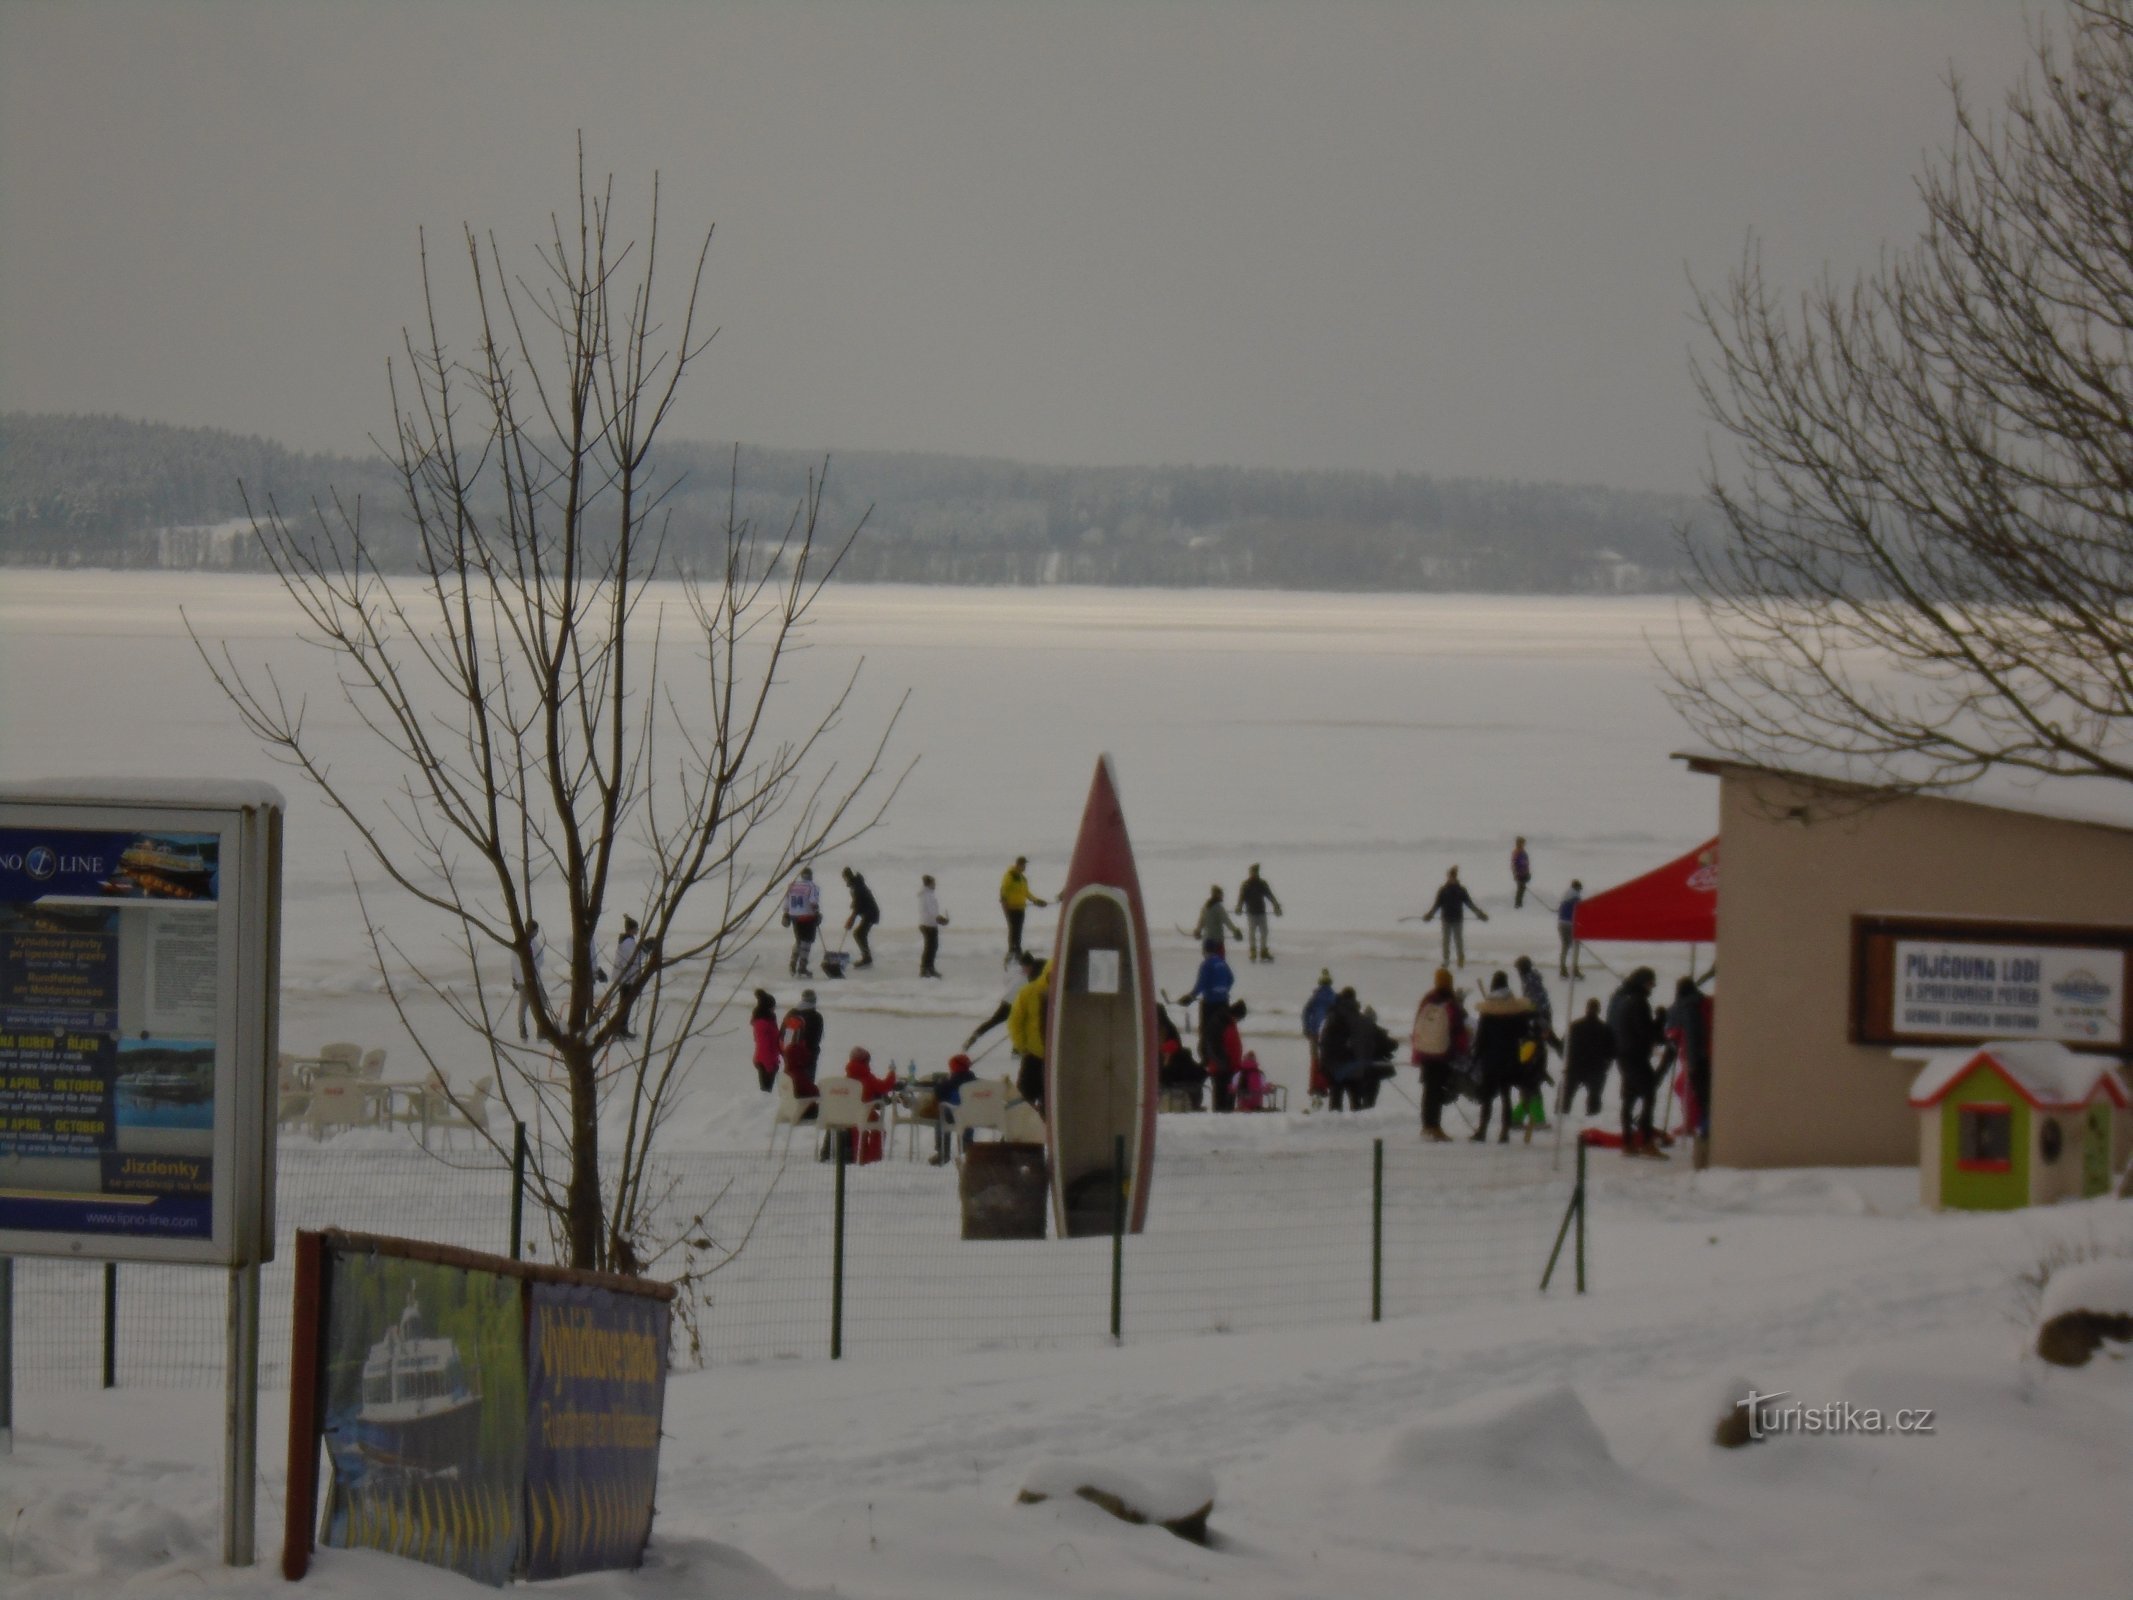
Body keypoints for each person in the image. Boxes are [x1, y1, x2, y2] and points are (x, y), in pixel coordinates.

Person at [1469, 971, 1534, 1143]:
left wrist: (1475, 1056)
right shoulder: (1515, 1008)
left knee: (1487, 1097)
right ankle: (1504, 1132)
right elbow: (1524, 1032)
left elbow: (1481, 1036)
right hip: (1510, 1058)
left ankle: (1482, 1130)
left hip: (1491, 1059)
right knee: (1506, 1095)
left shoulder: (1488, 1009)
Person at [1608, 966, 1665, 1157]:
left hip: (1621, 1053)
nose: (1652, 988)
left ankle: (1628, 1143)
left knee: (1629, 1097)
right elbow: (1645, 1031)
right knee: (1648, 1095)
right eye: (1651, 983)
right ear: (1643, 983)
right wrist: (1660, 1023)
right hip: (1636, 1055)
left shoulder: (1619, 998)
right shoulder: (1639, 1002)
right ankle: (1646, 1141)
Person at [1409, 966, 1466, 1142]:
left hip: (1425, 1052)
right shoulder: (1451, 1003)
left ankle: (1427, 1126)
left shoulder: (1427, 1000)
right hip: (1442, 1054)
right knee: (1437, 1089)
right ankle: (1435, 1127)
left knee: (1428, 1089)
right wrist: (1461, 1050)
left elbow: (1418, 1024)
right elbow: (1458, 1030)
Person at [1178, 938, 1236, 1095]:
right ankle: (1220, 1059)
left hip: (1210, 1004)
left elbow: (1201, 984)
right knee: (1221, 1034)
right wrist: (1223, 990)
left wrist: (1190, 997)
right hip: (1223, 1003)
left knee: (1207, 1033)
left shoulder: (1207, 964)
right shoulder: (1223, 963)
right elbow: (1231, 979)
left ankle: (1208, 1060)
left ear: (1205, 950)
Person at [1668, 975, 1713, 1141]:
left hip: (1695, 1056)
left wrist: (1692, 1060)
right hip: (1707, 1053)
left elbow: (1691, 1035)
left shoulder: (1687, 1007)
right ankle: (1698, 1123)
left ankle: (1700, 1125)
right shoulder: (1704, 1003)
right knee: (1698, 1091)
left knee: (1695, 1091)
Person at [1007, 952, 1051, 1113]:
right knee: (1023, 1104)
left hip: (1055, 1060)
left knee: (1051, 1105)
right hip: (1034, 1056)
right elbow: (1015, 1022)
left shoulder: (1064, 997)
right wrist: (1022, 1045)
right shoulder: (1028, 992)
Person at [1421, 866, 1488, 969]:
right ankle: (1446, 960)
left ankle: (1460, 960)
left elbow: (1469, 904)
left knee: (1458, 941)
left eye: (1453, 877)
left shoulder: (1461, 890)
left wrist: (1479, 914)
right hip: (1446, 920)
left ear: (1455, 877)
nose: (1451, 879)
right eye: (1450, 877)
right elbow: (1437, 905)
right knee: (1446, 941)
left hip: (1457, 920)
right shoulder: (1443, 890)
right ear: (1448, 877)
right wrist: (1429, 915)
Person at [1559, 996, 1614, 1117]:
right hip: (1596, 1068)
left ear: (1586, 1009)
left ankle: (1562, 1116)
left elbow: (1564, 1047)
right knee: (1594, 1098)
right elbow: (1611, 1052)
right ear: (1599, 1010)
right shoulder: (1605, 1029)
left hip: (1575, 1067)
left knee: (1566, 1096)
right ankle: (1592, 1117)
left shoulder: (1575, 1026)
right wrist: (1606, 1064)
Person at [1317, 987, 1363, 1112]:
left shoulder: (1332, 1012)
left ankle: (1335, 1121)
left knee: (1336, 1094)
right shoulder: (1351, 1013)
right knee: (1355, 1094)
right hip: (1344, 1060)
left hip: (1328, 1059)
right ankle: (1357, 1121)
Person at [929, 1052, 980, 1164]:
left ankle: (943, 1152)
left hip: (955, 1114)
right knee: (968, 1117)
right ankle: (967, 1149)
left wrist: (941, 1082)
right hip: (972, 1116)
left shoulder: (951, 1082)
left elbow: (939, 1093)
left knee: (941, 1117)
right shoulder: (975, 1081)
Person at [779, 988, 824, 1105]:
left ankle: (790, 1104)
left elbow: (782, 1034)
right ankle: (806, 1107)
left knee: (791, 1081)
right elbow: (816, 1040)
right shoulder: (816, 1016)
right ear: (814, 1001)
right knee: (807, 1083)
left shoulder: (791, 1013)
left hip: (789, 1055)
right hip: (808, 1056)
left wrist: (785, 1053)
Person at [1000, 856, 1048, 963]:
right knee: (1013, 929)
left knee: (1019, 930)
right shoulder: (1010, 875)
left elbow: (1026, 893)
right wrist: (1004, 902)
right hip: (1011, 908)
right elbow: (1004, 890)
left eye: (1025, 864)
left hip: (1021, 908)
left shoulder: (1023, 878)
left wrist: (1037, 901)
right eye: (1023, 864)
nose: (1024, 867)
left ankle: (1017, 950)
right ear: (1018, 864)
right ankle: (1012, 951)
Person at [1157, 1008, 1208, 1109]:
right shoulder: (1183, 1058)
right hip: (1190, 1092)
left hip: (1182, 1095)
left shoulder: (1173, 1064)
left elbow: (1165, 1080)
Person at [965, 965, 1024, 1051]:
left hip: (1008, 1000)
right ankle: (1017, 1049)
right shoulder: (1028, 975)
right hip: (1013, 1002)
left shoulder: (1015, 971)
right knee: (1019, 1024)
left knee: (995, 1021)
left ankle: (974, 1036)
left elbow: (1006, 980)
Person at [1301, 968, 1338, 1105]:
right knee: (1325, 1060)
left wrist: (1306, 1027)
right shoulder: (1334, 997)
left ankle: (1314, 1085)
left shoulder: (1315, 997)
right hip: (1329, 1033)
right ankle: (1323, 1086)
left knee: (1314, 1060)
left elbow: (1305, 1013)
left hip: (1314, 1032)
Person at [607, 915, 645, 1039]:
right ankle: (621, 1029)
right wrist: (645, 950)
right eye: (636, 928)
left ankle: (621, 1028)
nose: (637, 930)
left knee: (625, 1003)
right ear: (631, 929)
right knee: (625, 1003)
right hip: (626, 977)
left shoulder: (627, 941)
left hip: (626, 976)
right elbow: (633, 958)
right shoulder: (628, 942)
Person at [1236, 865, 1283, 961]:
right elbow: (1241, 898)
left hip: (1261, 912)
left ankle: (1263, 951)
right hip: (1251, 913)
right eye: (1253, 872)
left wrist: (1276, 905)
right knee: (1252, 933)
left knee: (1264, 932)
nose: (1254, 874)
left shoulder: (1262, 883)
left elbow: (1270, 895)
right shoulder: (1246, 885)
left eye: (1256, 872)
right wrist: (1239, 907)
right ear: (1250, 872)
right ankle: (1253, 951)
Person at [1209, 999, 1249, 1112]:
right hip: (1221, 1069)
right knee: (1221, 1103)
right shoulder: (1221, 1022)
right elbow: (1214, 1045)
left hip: (1230, 1068)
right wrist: (1223, 1063)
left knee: (1229, 1102)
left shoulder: (1229, 1022)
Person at [783, 867, 822, 978]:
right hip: (807, 917)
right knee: (807, 941)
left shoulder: (792, 886)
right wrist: (817, 913)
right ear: (810, 876)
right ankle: (802, 967)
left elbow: (786, 902)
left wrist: (786, 914)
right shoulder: (812, 886)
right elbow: (813, 902)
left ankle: (793, 962)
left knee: (799, 940)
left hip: (794, 917)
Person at [841, 867, 880, 969]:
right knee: (860, 933)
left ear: (847, 877)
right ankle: (866, 956)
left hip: (871, 913)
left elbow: (858, 905)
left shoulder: (857, 887)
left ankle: (867, 957)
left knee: (858, 933)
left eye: (844, 878)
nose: (844, 880)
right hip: (869, 913)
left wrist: (851, 919)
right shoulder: (857, 885)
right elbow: (858, 902)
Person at [515, 919, 546, 1042]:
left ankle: (527, 1032)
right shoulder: (531, 945)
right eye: (536, 930)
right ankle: (538, 1032)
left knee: (526, 1008)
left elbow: (514, 964)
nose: (537, 933)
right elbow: (538, 962)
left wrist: (515, 978)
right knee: (537, 1007)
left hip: (525, 981)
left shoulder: (519, 943)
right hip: (530, 981)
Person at [917, 873, 949, 978]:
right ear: (930, 883)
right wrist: (941, 920)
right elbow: (932, 911)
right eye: (934, 883)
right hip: (929, 925)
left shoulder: (924, 894)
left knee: (930, 947)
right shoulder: (928, 895)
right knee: (931, 948)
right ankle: (926, 969)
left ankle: (927, 968)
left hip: (925, 923)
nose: (935, 885)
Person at [749, 988, 780, 1092]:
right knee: (766, 1091)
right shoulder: (763, 1024)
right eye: (773, 1006)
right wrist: (769, 1065)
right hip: (765, 1061)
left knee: (767, 1090)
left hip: (770, 1060)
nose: (774, 1008)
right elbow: (764, 1046)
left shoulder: (769, 1020)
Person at [1557, 880, 1584, 979]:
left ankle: (1562, 969)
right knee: (1576, 946)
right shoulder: (1576, 897)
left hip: (1561, 923)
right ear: (1577, 887)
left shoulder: (1565, 896)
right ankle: (1575, 969)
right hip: (1570, 924)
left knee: (1565, 947)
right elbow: (1580, 911)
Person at [1511, 837, 1532, 909]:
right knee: (1520, 889)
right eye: (1522, 843)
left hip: (1524, 873)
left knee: (1522, 889)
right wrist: (1515, 874)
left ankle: (1520, 904)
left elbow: (1527, 863)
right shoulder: (1516, 852)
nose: (1524, 844)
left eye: (1524, 843)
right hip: (1519, 874)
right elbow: (1513, 864)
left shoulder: (1524, 852)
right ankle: (1518, 904)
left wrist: (1528, 873)